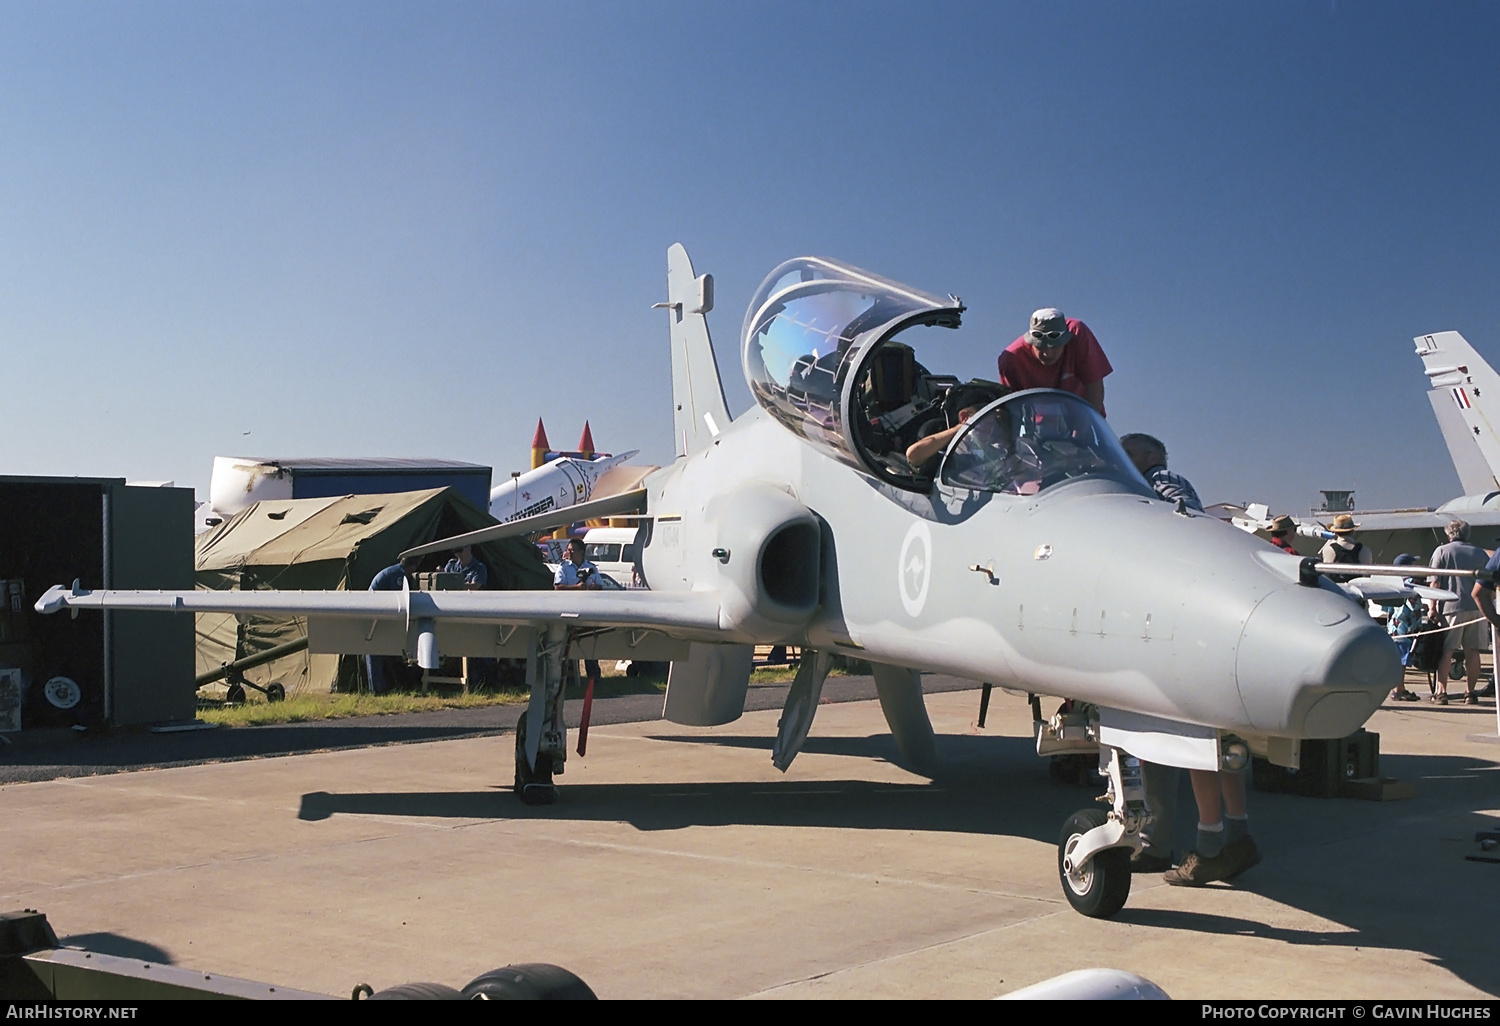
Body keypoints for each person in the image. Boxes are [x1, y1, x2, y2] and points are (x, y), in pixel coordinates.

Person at [997, 308, 1112, 417]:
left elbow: (1094, 388)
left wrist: (1085, 430)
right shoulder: (1011, 359)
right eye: (1040, 346)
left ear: (1066, 340)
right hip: (1037, 428)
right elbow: (1010, 409)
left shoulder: (1078, 334)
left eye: (1055, 346)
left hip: (1084, 418)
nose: (1048, 353)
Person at [1427, 520, 1490, 705]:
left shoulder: (1442, 551)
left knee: (1447, 651)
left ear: (1449, 534)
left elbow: (1435, 582)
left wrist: (1432, 608)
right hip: (1477, 608)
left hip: (1451, 607)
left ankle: (1442, 692)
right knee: (1473, 652)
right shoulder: (1479, 553)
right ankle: (1470, 692)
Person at [365, 555, 420, 695]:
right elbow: (398, 599)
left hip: (377, 612)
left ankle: (382, 685)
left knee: (378, 651)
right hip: (375, 613)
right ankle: (377, 688)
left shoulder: (393, 571)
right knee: (374, 651)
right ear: (412, 566)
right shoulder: (398, 575)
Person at [1119, 433, 1203, 511]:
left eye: (1128, 454)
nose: (1121, 459)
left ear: (1153, 458)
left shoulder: (1160, 477)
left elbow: (1184, 509)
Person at [1318, 514, 1373, 579]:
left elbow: (1324, 575)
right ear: (1353, 531)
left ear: (1335, 532)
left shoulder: (1327, 550)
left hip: (1335, 588)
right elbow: (1367, 576)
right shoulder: (1365, 550)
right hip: (1357, 587)